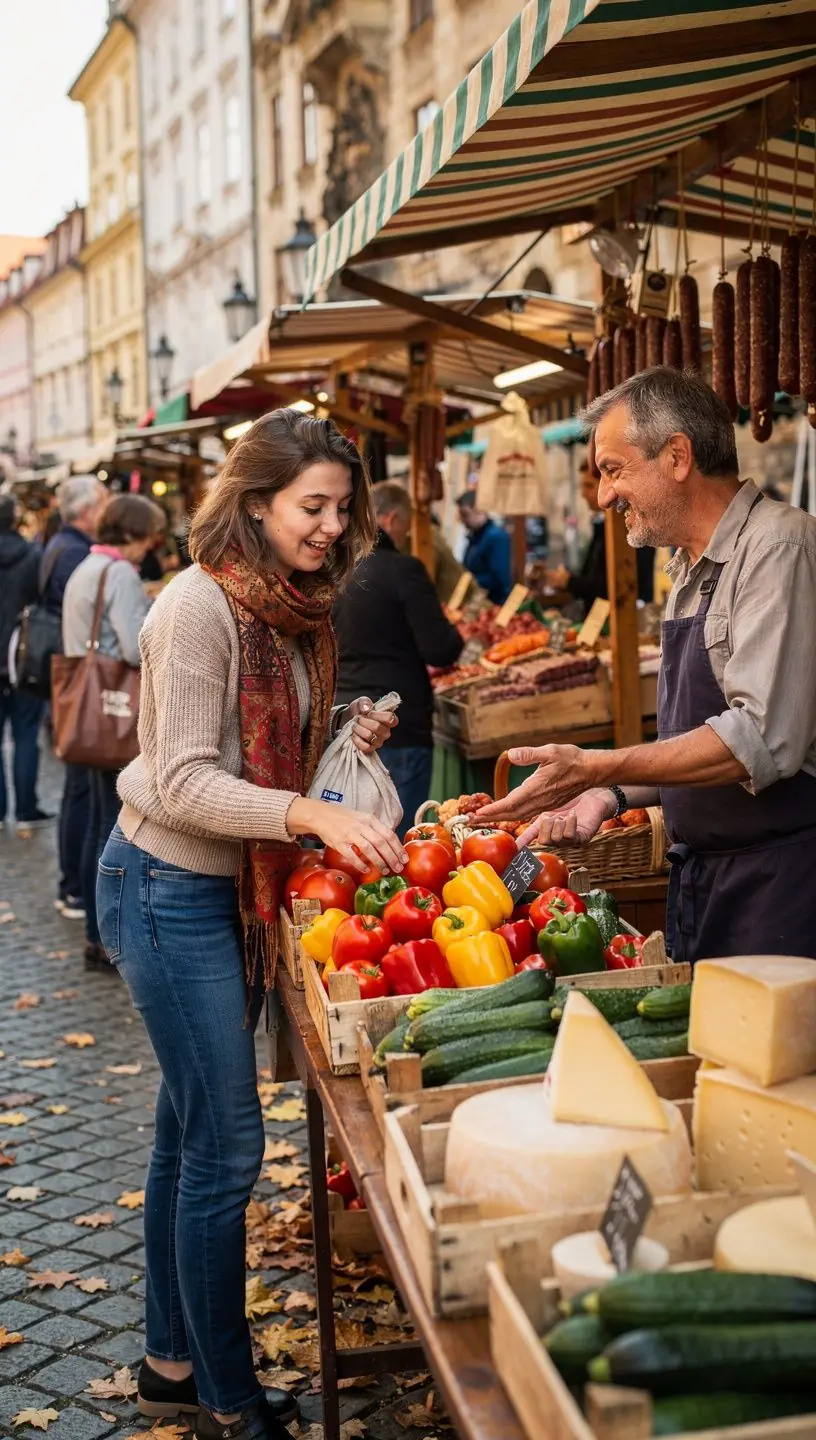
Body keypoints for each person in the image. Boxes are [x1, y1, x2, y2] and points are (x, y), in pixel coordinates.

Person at [95, 411, 405, 1440]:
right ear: (257, 502)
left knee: (186, 1137)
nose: (329, 528)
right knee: (225, 1149)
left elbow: (265, 754)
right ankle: (228, 1396)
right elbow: (184, 779)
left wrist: (346, 737)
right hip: (165, 884)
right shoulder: (195, 607)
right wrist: (307, 812)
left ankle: (171, 1366)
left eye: (341, 509)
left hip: (221, 889)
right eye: (311, 507)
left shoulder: (297, 608)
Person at [476, 366, 816, 965]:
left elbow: (757, 740)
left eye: (613, 469)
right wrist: (607, 793)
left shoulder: (777, 548)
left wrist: (596, 765)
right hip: (709, 882)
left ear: (677, 456)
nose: (604, 495)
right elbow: (691, 744)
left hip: (783, 885)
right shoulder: (689, 568)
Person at [63, 494, 163, 971]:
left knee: (97, 821)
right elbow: (133, 647)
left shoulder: (86, 567)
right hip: (115, 715)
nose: (150, 548)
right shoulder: (119, 573)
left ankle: (92, 931)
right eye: (148, 537)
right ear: (132, 533)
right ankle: (106, 937)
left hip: (85, 715)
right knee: (113, 827)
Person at [334, 481, 464, 837]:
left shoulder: (332, 572)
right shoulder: (404, 570)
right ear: (391, 519)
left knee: (344, 845)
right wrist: (455, 633)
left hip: (341, 725)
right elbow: (441, 647)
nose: (406, 535)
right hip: (397, 729)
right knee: (398, 842)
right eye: (405, 527)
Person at [44, 475, 107, 920]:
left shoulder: (56, 547)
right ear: (87, 511)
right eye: (102, 505)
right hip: (84, 686)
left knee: (77, 790)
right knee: (84, 794)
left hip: (67, 681)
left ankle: (71, 884)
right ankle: (76, 889)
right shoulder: (78, 554)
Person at [545, 457, 655, 607]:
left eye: (589, 486)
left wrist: (569, 582)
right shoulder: (602, 527)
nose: (583, 494)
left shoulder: (628, 530)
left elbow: (615, 586)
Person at [0, 495, 48, 829]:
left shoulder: (34, 553)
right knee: (27, 735)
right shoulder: (32, 554)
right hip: (24, 656)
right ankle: (26, 809)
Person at [456, 490, 512, 604]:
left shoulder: (496, 537)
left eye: (466, 515)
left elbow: (499, 578)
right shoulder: (474, 537)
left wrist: (468, 582)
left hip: (493, 604)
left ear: (479, 511)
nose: (462, 521)